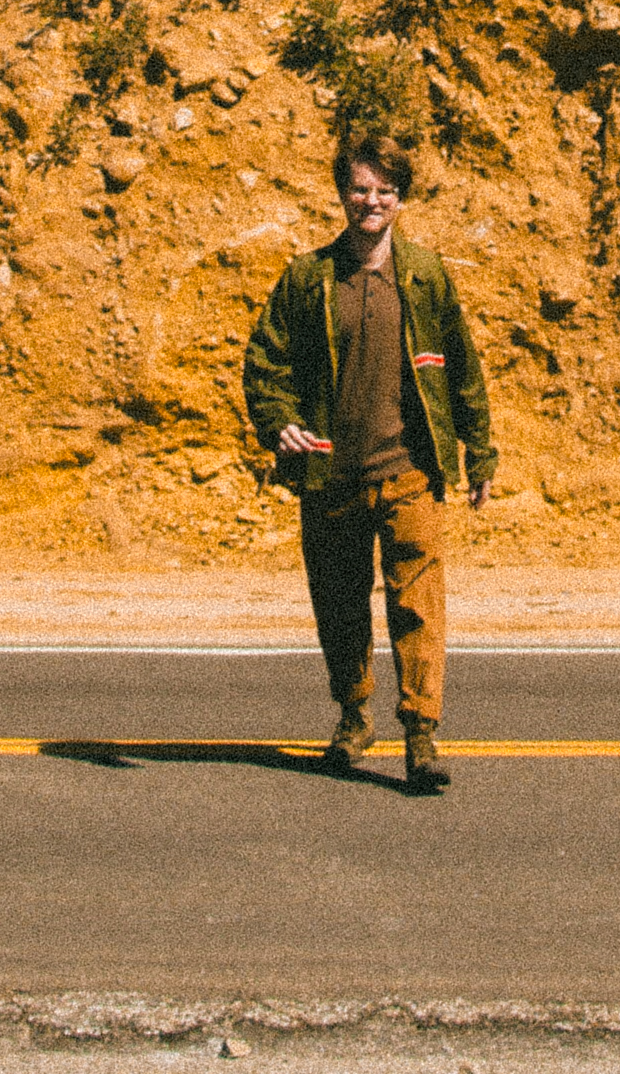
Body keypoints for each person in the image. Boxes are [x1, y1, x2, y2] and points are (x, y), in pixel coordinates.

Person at [241, 131, 495, 794]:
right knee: (340, 603)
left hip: (408, 470)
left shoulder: (425, 276)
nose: (371, 201)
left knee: (419, 605)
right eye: (360, 188)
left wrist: (479, 452)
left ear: (401, 198)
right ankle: (354, 716)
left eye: (384, 189)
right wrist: (279, 424)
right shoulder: (307, 279)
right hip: (332, 475)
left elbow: (463, 370)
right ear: (342, 194)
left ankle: (421, 735)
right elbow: (264, 362)